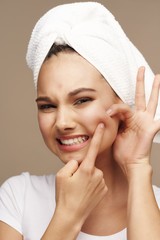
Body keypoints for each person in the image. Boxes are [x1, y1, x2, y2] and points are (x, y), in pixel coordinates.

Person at [0, 2, 160, 240]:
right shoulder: (18, 197)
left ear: (121, 102)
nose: (62, 122)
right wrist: (68, 215)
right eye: (47, 106)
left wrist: (137, 167)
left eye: (82, 100)